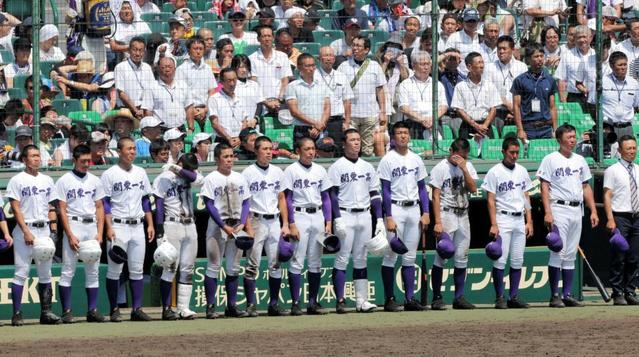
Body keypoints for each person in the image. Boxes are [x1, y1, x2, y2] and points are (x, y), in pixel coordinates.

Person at [537, 124, 599, 308]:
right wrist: (548, 212)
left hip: (576, 209)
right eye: (569, 137)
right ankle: (554, 295)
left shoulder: (580, 160)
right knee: (558, 250)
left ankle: (567, 294)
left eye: (573, 137)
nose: (572, 140)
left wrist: (593, 210)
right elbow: (544, 186)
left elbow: (586, 187)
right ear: (559, 139)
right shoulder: (550, 159)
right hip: (559, 208)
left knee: (570, 254)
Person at [376, 122, 429, 312]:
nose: (403, 136)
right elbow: (385, 190)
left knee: (409, 256)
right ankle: (390, 299)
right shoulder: (387, 160)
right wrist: (388, 215)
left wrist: (426, 212)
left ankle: (409, 299)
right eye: (399, 133)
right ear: (393, 137)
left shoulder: (416, 159)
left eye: (406, 132)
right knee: (391, 255)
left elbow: (422, 188)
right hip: (396, 209)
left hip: (414, 209)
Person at [328, 129, 381, 313]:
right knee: (342, 258)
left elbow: (375, 194)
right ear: (344, 143)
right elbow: (332, 195)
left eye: (358, 139)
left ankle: (362, 301)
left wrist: (379, 219)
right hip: (346, 213)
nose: (356, 143)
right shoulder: (337, 166)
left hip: (365, 215)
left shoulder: (367, 166)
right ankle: (340, 300)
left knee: (361, 259)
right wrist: (337, 219)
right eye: (352, 140)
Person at [102, 137, 155, 322]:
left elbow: (145, 200)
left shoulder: (140, 172)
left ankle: (137, 309)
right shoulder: (109, 173)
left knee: (137, 270)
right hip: (118, 225)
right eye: (129, 149)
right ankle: (114, 309)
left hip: (138, 225)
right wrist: (108, 228)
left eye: (134, 149)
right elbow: (105, 203)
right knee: (114, 270)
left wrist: (150, 223)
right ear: (119, 151)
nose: (132, 152)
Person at [6, 144, 58, 326]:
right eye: (33, 156)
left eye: (38, 155)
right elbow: (15, 208)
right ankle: (17, 314)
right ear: (24, 159)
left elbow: (51, 206)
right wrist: (26, 232)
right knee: (21, 273)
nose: (37, 159)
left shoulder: (47, 180)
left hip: (43, 229)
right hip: (24, 229)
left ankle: (46, 312)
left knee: (46, 273)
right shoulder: (17, 180)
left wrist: (53, 230)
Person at [201, 143, 253, 319]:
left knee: (233, 268)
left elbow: (246, 201)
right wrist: (224, 226)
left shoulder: (239, 177)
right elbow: (209, 204)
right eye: (226, 156)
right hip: (218, 226)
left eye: (231, 156)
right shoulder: (211, 178)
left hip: (236, 226)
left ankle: (231, 306)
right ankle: (210, 306)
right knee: (214, 266)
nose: (229, 160)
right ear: (217, 159)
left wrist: (243, 222)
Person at [481, 137, 534, 309]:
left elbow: (526, 197)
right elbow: (490, 200)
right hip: (503, 218)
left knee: (518, 259)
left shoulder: (522, 171)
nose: (515, 155)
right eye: (511, 152)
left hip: (519, 219)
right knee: (500, 259)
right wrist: (494, 223)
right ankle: (499, 297)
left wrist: (530, 220)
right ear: (503, 152)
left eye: (517, 152)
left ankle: (513, 296)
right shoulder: (494, 172)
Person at [56, 144, 106, 323]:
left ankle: (92, 310)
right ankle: (67, 311)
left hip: (91, 226)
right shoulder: (64, 180)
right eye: (83, 161)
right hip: (74, 224)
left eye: (88, 160)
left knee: (93, 271)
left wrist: (100, 233)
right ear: (74, 160)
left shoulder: (95, 180)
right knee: (68, 270)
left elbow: (100, 206)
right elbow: (61, 209)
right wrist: (69, 234)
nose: (87, 164)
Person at [282, 137, 332, 315]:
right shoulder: (291, 170)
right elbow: (287, 198)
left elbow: (325, 197)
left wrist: (328, 221)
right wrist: (291, 223)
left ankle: (313, 302)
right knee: (297, 261)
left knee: (315, 262)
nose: (311, 152)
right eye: (307, 149)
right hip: (300, 215)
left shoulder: (320, 170)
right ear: (298, 151)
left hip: (317, 216)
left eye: (312, 149)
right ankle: (295, 303)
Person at [429, 138, 479, 310]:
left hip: (463, 213)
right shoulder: (441, 167)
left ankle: (459, 297)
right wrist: (437, 222)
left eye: (463, 156)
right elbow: (435, 196)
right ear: (451, 150)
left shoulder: (468, 166)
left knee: (462, 257)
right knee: (442, 254)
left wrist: (464, 168)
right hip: (446, 213)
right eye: (457, 155)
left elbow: (473, 189)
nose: (459, 158)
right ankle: (436, 297)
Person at [241, 136, 288, 316]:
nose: (269, 152)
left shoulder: (277, 171)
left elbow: (281, 198)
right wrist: (248, 226)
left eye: (270, 149)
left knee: (275, 263)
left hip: (274, 220)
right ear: (256, 151)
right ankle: (251, 305)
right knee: (253, 264)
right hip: (256, 220)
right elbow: (244, 202)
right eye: (265, 149)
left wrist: (285, 224)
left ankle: (274, 304)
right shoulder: (247, 173)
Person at [154, 153, 203, 320]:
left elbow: (197, 179)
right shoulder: (163, 178)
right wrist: (160, 231)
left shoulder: (189, 175)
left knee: (187, 268)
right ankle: (167, 308)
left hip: (190, 225)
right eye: (187, 165)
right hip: (172, 224)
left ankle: (183, 308)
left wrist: (176, 167)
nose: (190, 169)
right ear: (181, 162)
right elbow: (159, 205)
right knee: (170, 267)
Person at [603, 135, 639, 305]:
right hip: (620, 217)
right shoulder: (613, 170)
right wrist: (610, 219)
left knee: (634, 256)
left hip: (637, 217)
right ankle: (617, 292)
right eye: (628, 149)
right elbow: (607, 195)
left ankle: (630, 290)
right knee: (619, 256)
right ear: (620, 151)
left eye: (634, 148)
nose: (632, 151)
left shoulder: (638, 169)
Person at [337, 35, 386, 157]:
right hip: (350, 115)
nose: (355, 48)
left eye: (358, 46)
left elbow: (380, 91)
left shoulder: (374, 66)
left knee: (367, 148)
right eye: (353, 45)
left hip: (369, 114)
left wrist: (383, 111)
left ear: (366, 49)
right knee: (351, 147)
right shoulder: (343, 66)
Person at [397, 51, 447, 140]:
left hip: (434, 123)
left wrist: (432, 119)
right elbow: (404, 108)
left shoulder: (437, 84)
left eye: (428, 64)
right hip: (413, 124)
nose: (426, 67)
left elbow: (443, 106)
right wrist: (423, 120)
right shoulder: (405, 84)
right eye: (422, 64)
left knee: (438, 152)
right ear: (414, 66)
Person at [512, 43, 558, 141]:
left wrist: (555, 129)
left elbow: (552, 106)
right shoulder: (520, 80)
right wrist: (520, 129)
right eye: (536, 56)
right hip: (528, 128)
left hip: (546, 128)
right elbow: (516, 106)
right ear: (528, 59)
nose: (540, 59)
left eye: (541, 56)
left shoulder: (550, 80)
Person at [484, 35, 528, 136]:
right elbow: (488, 92)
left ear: (512, 49)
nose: (501, 51)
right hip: (497, 113)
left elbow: (525, 92)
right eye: (499, 49)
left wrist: (515, 111)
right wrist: (508, 106)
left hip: (519, 111)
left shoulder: (522, 67)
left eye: (504, 48)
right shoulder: (490, 68)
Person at [451, 52, 501, 141]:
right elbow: (459, 110)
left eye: (482, 62)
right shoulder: (460, 86)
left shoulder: (490, 85)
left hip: (486, 127)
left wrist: (484, 126)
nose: (482, 65)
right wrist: (475, 125)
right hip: (467, 126)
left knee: (487, 154)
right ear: (469, 67)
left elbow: (493, 109)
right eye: (478, 62)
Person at [315, 46, 353, 155]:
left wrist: (347, 122)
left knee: (338, 152)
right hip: (318, 121)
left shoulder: (341, 76)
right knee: (317, 151)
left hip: (336, 121)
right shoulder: (313, 76)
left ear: (334, 58)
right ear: (319, 58)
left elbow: (347, 100)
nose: (328, 58)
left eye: (331, 55)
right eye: (325, 55)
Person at [176, 37, 218, 133]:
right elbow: (180, 94)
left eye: (201, 49)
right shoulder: (181, 69)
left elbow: (212, 90)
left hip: (206, 111)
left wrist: (206, 109)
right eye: (195, 48)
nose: (198, 51)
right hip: (189, 112)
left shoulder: (207, 68)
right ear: (189, 50)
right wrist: (192, 111)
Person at [594, 51, 639, 139]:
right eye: (620, 65)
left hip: (627, 128)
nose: (623, 68)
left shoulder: (633, 83)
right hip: (608, 128)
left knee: (628, 152)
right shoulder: (602, 82)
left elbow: (636, 105)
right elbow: (593, 104)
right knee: (608, 152)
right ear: (611, 66)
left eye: (625, 64)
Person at [286, 53, 330, 141]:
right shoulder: (292, 86)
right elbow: (294, 111)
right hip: (302, 129)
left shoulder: (322, 85)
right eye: (308, 66)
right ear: (299, 67)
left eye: (313, 65)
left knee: (323, 154)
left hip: (321, 128)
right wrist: (314, 123)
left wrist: (319, 126)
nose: (311, 69)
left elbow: (327, 108)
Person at [249, 26, 292, 115]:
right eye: (264, 36)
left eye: (269, 36)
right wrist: (265, 102)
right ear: (258, 39)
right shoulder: (252, 58)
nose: (267, 39)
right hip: (260, 103)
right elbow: (254, 83)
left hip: (280, 103)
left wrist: (279, 99)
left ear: (273, 38)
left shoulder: (282, 56)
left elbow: (285, 81)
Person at [209, 68, 252, 148]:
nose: (232, 84)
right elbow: (215, 123)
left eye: (234, 80)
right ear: (221, 82)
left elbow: (244, 121)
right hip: (222, 141)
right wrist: (228, 138)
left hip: (240, 141)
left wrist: (239, 137)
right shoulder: (214, 99)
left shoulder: (240, 98)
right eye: (229, 81)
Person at [114, 36, 154, 120]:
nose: (138, 53)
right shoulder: (120, 67)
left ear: (144, 52)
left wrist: (143, 109)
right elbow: (121, 94)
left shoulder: (147, 68)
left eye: (140, 50)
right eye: (135, 50)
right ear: (129, 50)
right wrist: (135, 110)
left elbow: (151, 91)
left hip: (144, 111)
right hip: (126, 110)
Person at [555, 25, 594, 111]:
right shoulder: (567, 56)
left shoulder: (596, 55)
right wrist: (563, 102)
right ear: (575, 39)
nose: (581, 40)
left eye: (584, 37)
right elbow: (561, 79)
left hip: (593, 96)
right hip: (574, 98)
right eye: (578, 37)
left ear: (590, 38)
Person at [150, 56, 192, 131]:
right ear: (158, 69)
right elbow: (148, 111)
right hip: (161, 129)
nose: (167, 70)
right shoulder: (151, 87)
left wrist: (191, 128)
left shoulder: (183, 85)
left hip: (181, 128)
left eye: (170, 67)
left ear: (175, 69)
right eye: (163, 67)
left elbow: (189, 107)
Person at [438, 48, 466, 137]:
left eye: (455, 58)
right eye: (450, 58)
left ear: (460, 61)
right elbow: (432, 63)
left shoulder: (464, 78)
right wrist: (447, 54)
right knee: (445, 143)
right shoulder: (438, 75)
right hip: (443, 116)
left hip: (459, 116)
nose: (452, 61)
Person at [448, 8, 482, 76]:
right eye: (468, 21)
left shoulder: (483, 37)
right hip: (459, 77)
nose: (471, 23)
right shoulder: (454, 37)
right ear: (463, 21)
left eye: (473, 21)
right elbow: (447, 57)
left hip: (479, 76)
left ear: (478, 21)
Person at [231, 54, 265, 119]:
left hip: (252, 124)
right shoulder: (228, 84)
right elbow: (216, 91)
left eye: (246, 67)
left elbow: (260, 104)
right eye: (241, 67)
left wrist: (255, 119)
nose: (244, 70)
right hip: (235, 125)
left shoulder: (255, 85)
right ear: (234, 67)